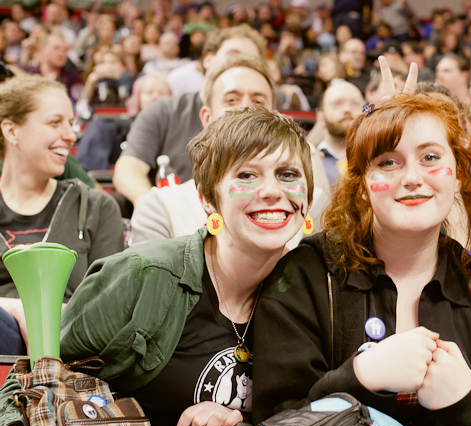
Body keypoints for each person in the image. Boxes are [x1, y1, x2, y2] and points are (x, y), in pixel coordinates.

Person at [0, 107, 314, 426]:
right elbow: (34, 380)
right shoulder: (143, 276)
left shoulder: (311, 289)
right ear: (207, 197)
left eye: (288, 174)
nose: (272, 191)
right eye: (247, 175)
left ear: (308, 195)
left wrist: (241, 421)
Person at [253, 62, 471, 426]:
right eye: (388, 161)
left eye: (430, 157)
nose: (411, 178)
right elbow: (276, 420)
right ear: (363, 184)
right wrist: (360, 375)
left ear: (459, 175)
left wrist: (469, 407)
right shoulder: (308, 271)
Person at [129, 55, 329, 247]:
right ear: (207, 118)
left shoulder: (317, 203)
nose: (246, 109)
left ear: (276, 116)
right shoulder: (161, 207)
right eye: (231, 100)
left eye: (258, 102)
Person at [0, 76, 124, 354]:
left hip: (71, 356)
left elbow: (111, 309)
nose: (70, 135)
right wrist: (18, 309)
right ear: (11, 131)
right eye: (55, 122)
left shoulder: (96, 207)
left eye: (70, 123)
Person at [113, 27, 267, 207]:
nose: (241, 64)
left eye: (251, 60)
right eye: (234, 55)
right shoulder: (162, 111)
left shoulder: (266, 119)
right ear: (208, 59)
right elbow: (128, 169)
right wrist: (154, 211)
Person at [314, 80, 363, 186]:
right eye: (337, 103)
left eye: (356, 104)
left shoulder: (376, 159)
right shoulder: (309, 161)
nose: (347, 109)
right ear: (321, 118)